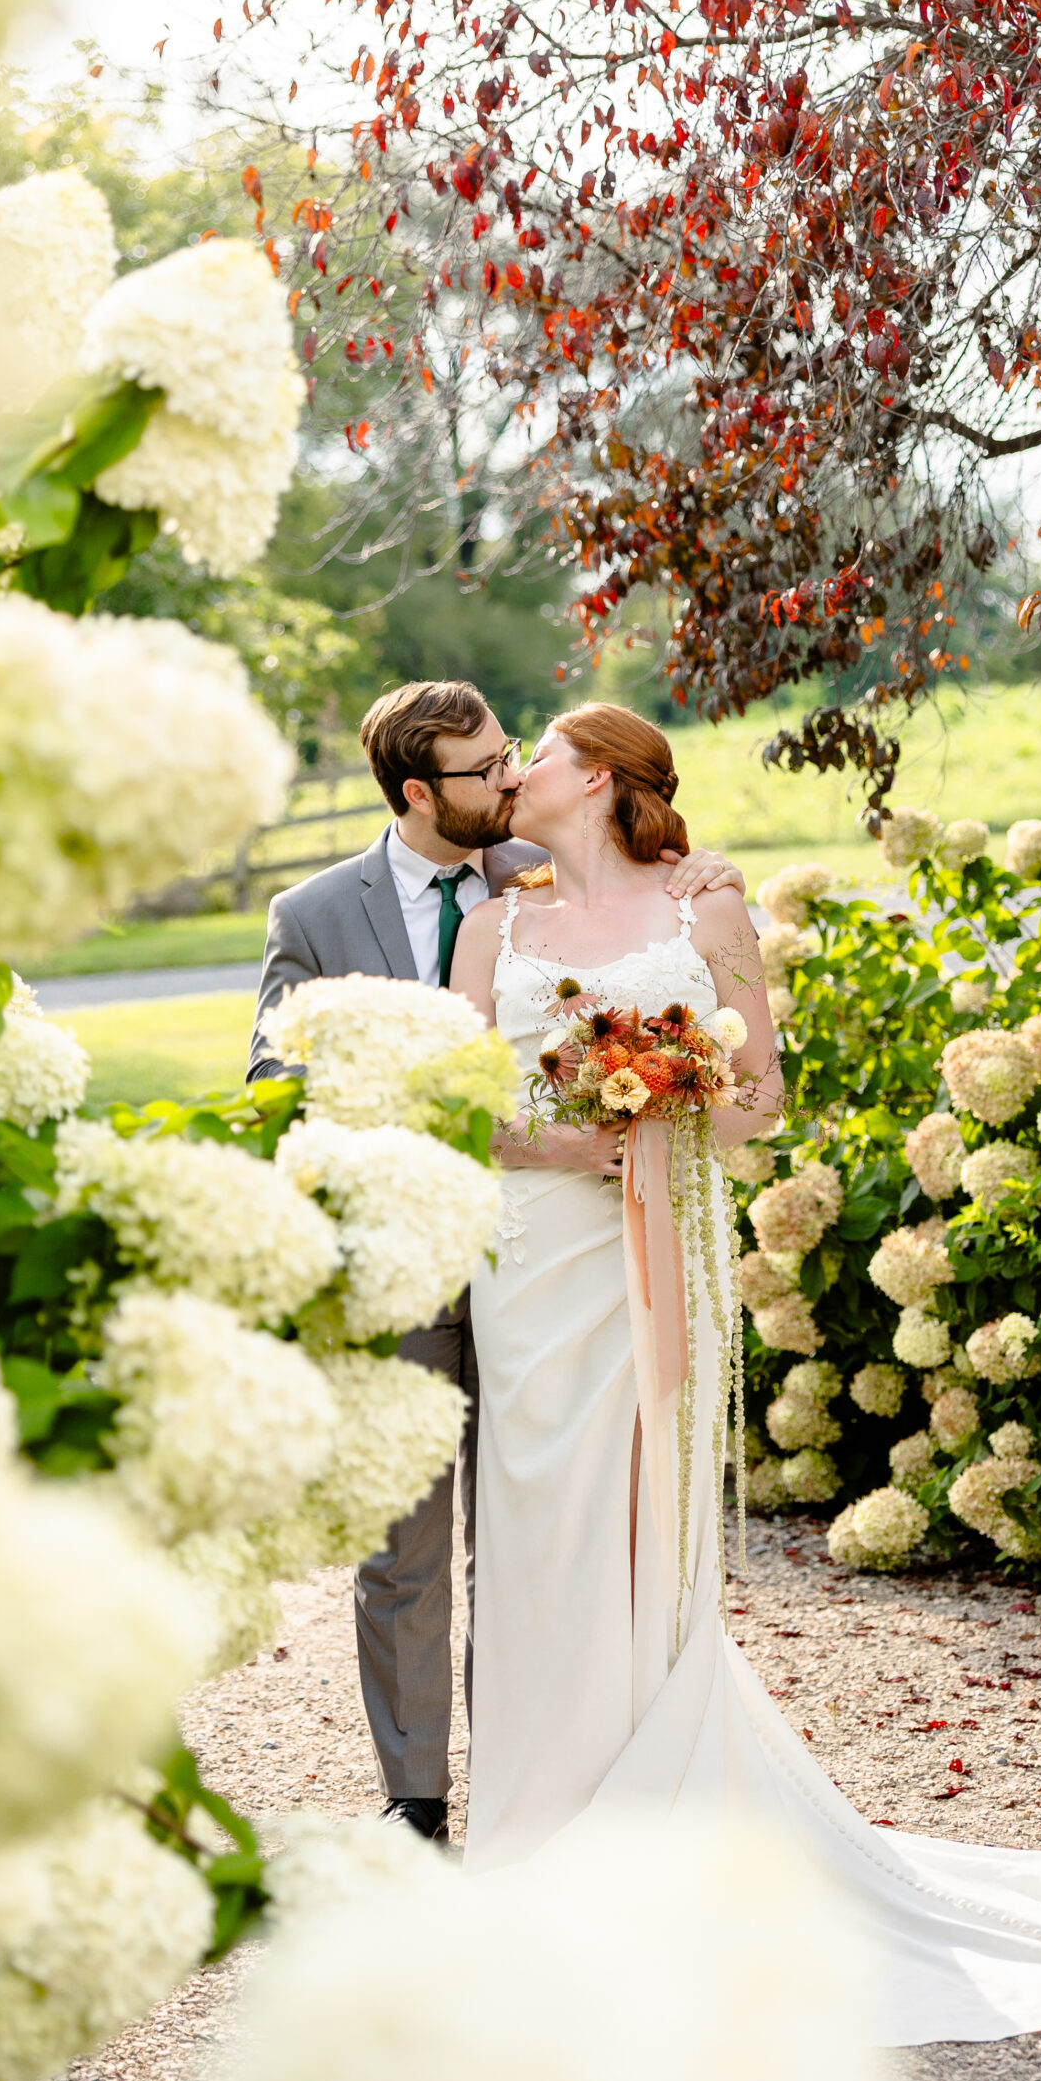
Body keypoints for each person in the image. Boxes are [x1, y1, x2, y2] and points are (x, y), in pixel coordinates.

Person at [449, 701, 1041, 2044]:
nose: (517, 775)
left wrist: (660, 1100)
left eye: (536, 755)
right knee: (539, 1523)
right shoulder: (492, 926)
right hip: (531, 1258)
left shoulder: (704, 907)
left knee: (647, 1523)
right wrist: (564, 1141)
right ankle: (533, 1827)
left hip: (656, 1248)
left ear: (599, 778)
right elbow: (461, 1099)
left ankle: (655, 1821)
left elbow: (759, 1098)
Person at [248, 679, 743, 1842]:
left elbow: (645, 871)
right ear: (420, 793)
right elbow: (273, 1086)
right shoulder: (315, 913)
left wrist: (703, 873)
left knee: (538, 1536)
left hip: (562, 1255)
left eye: (514, 754)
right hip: (415, 1254)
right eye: (482, 769)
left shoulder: (532, 868)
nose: (509, 777)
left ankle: (547, 1784)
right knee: (408, 1540)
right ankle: (416, 1797)